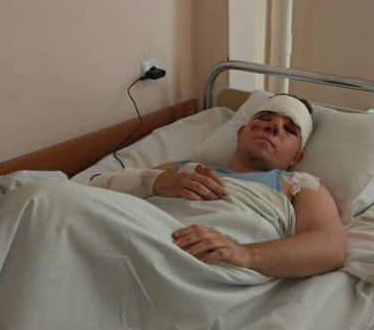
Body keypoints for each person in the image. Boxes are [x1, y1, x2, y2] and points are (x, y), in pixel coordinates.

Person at [90, 94, 347, 278]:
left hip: (194, 263)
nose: (273, 126)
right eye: (264, 118)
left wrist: (244, 254)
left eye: (289, 130)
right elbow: (95, 188)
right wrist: (156, 182)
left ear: (295, 158)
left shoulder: (300, 186)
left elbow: (330, 247)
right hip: (135, 235)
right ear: (240, 132)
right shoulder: (181, 168)